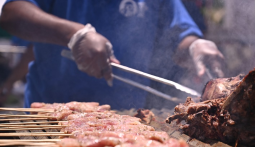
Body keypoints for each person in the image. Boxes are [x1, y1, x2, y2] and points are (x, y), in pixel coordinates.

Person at [0, 0, 225, 109]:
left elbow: (178, 34)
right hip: (53, 118)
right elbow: (10, 14)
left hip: (127, 120)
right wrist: (73, 34)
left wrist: (195, 45)